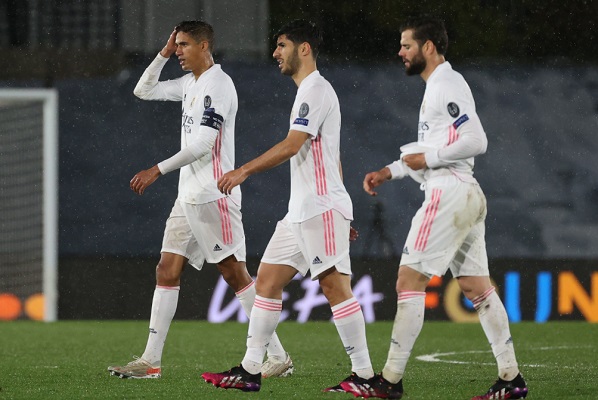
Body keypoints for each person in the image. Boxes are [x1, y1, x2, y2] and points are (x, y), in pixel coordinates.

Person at [345, 15, 529, 400]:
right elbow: (425, 153)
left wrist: (430, 161)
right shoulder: (438, 87)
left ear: (428, 47)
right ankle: (511, 379)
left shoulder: (447, 83)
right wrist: (388, 171)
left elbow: (476, 140)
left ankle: (390, 380)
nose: (400, 52)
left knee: (408, 280)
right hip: (466, 194)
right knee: (477, 287)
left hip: (449, 194)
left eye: (406, 45)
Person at [107, 20, 292, 380]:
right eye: (176, 45)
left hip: (213, 195)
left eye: (184, 45)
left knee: (234, 274)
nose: (178, 51)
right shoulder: (189, 83)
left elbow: (205, 143)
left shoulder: (217, 85)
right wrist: (161, 54)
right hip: (187, 196)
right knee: (166, 269)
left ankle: (278, 355)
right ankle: (150, 361)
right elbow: (143, 91)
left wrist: (156, 170)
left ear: (205, 45)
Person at [201, 19, 375, 393]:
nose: (276, 53)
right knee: (266, 281)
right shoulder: (308, 91)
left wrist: (243, 170)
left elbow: (293, 144)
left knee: (334, 288)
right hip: (304, 210)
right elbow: (333, 155)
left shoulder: (315, 89)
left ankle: (364, 375)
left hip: (320, 208)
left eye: (282, 45)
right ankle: (250, 370)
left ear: (305, 48)